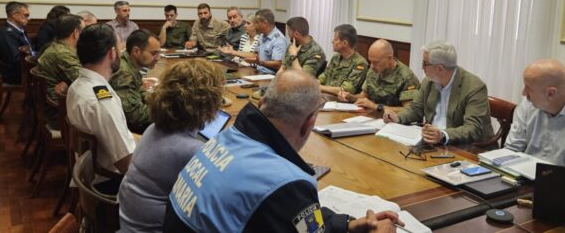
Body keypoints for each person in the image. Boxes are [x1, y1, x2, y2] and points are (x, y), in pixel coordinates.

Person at [163, 70, 402, 232]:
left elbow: (293, 217)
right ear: (309, 123)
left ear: (262, 104)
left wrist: (347, 224)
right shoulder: (284, 182)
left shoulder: (226, 139)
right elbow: (287, 204)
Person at [118, 59, 226, 233]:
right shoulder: (192, 151)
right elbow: (218, 203)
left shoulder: (153, 129)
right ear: (208, 103)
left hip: (129, 223)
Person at [66, 24, 135, 193]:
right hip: (109, 183)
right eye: (120, 49)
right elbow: (127, 165)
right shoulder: (102, 102)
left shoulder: (77, 85)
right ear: (112, 53)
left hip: (93, 175)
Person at [383, 41, 491, 145]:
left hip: (464, 147)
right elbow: (415, 108)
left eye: (425, 64)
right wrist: (398, 118)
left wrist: (443, 135)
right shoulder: (429, 81)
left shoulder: (474, 87)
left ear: (439, 68)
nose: (422, 68)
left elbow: (473, 128)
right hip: (431, 143)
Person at [339, 39, 419, 111]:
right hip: (371, 116)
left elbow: (409, 110)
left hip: (394, 123)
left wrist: (377, 107)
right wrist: (349, 97)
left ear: (389, 58)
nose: (372, 66)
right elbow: (363, 96)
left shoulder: (406, 77)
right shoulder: (373, 70)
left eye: (376, 62)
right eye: (370, 61)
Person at [36, 14, 84, 128]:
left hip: (57, 104)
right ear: (76, 33)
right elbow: (83, 81)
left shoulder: (57, 46)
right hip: (58, 113)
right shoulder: (62, 53)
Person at [109, 30, 161, 134]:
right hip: (128, 130)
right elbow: (134, 115)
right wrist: (165, 111)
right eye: (154, 53)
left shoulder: (130, 65)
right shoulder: (124, 74)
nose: (158, 58)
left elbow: (140, 92)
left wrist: (160, 100)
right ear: (136, 51)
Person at [318, 24, 369, 96]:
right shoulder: (336, 57)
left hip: (340, 101)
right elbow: (324, 77)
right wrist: (313, 84)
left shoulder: (360, 63)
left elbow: (345, 90)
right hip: (324, 95)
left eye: (335, 39)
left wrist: (319, 87)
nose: (332, 41)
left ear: (344, 43)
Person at [0, 1, 35, 85]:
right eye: (26, 15)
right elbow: (16, 60)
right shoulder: (6, 34)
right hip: (16, 75)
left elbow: (29, 50)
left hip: (24, 70)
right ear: (14, 15)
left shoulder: (18, 30)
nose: (28, 18)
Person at [244, 8, 288, 74]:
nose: (255, 25)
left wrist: (260, 62)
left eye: (257, 23)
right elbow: (256, 55)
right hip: (258, 71)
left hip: (270, 75)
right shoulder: (262, 35)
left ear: (265, 23)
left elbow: (278, 64)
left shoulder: (279, 40)